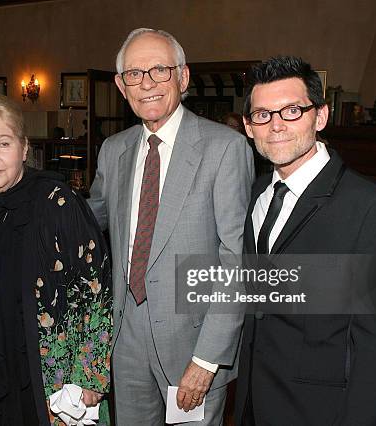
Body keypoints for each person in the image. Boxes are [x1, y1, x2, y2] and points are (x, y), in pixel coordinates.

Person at [235, 56, 376, 425]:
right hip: (253, 401)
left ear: (320, 116)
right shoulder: (255, 194)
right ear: (248, 127)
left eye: (292, 111)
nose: (276, 126)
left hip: (319, 411)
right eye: (263, 115)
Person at [88, 28, 254, 425]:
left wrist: (208, 357)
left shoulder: (225, 148)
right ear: (120, 86)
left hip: (192, 342)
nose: (146, 83)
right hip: (124, 337)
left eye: (159, 70)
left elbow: (237, 261)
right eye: (134, 74)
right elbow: (85, 224)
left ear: (183, 77)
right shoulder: (114, 150)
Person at [0, 94, 112, 426]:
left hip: (51, 379)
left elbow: (96, 292)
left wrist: (89, 376)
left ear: (24, 148)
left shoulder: (59, 203)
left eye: (4, 143)